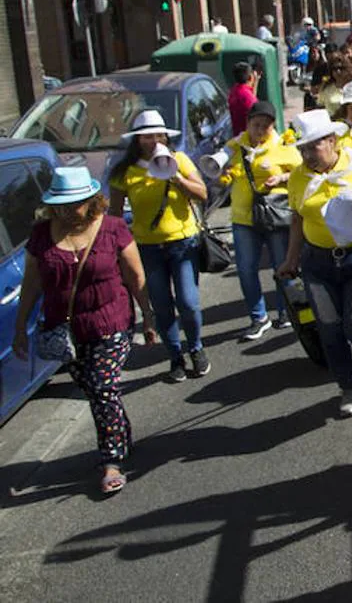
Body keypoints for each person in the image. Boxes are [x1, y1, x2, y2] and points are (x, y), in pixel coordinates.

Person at [13, 167, 158, 495]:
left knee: (103, 387)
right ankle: (121, 436)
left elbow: (136, 277)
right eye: (60, 205)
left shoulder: (113, 229)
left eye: (74, 204)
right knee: (95, 392)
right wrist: (20, 326)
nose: (67, 211)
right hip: (66, 330)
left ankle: (111, 461)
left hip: (111, 323)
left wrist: (148, 317)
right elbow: (31, 284)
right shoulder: (41, 235)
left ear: (91, 200)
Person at [278, 109, 352, 417]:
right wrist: (290, 258)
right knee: (329, 328)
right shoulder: (299, 176)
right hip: (317, 263)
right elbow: (298, 218)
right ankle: (348, 388)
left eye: (312, 147)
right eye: (302, 149)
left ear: (332, 141)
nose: (306, 155)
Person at [108, 109, 211, 381]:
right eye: (147, 136)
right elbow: (115, 218)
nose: (153, 140)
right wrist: (120, 251)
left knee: (188, 302)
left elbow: (202, 193)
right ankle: (175, 356)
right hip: (148, 249)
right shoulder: (124, 172)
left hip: (182, 242)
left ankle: (196, 347)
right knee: (162, 306)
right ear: (137, 140)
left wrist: (175, 176)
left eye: (158, 135)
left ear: (166, 136)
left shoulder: (179, 159)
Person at [220, 101, 302, 340]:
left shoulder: (283, 145)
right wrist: (223, 174)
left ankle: (286, 311)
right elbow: (223, 173)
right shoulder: (235, 146)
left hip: (275, 215)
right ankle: (258, 317)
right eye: (256, 125)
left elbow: (300, 173)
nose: (260, 130)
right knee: (246, 268)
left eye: (265, 126)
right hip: (243, 217)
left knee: (282, 265)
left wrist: (281, 178)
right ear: (247, 124)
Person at [228, 60, 259, 134]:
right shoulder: (248, 98)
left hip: (238, 135)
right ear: (250, 77)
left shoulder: (234, 91)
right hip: (248, 138)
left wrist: (255, 82)